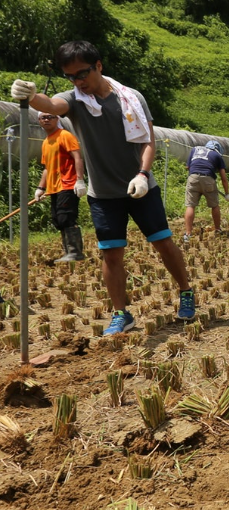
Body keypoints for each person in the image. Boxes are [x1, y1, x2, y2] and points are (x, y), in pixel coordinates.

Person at [11, 41, 196, 335]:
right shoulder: (73, 100)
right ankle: (122, 314)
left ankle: (186, 291)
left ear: (98, 66)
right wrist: (32, 97)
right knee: (111, 254)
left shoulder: (130, 97)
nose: (77, 82)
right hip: (103, 194)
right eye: (70, 77)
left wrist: (143, 174)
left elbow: (148, 139)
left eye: (82, 74)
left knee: (162, 242)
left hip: (141, 187)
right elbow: (51, 105)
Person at [34, 112, 87, 262]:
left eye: (50, 116)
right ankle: (68, 252)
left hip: (68, 184)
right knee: (57, 220)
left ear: (57, 119)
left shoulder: (65, 135)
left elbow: (77, 157)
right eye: (43, 117)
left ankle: (75, 252)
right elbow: (47, 168)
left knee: (66, 218)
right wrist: (41, 188)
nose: (46, 119)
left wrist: (80, 180)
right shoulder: (46, 142)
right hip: (54, 187)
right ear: (39, 121)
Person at [183, 139, 229, 243]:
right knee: (214, 205)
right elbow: (223, 178)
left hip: (193, 178)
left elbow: (188, 167)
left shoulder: (194, 149)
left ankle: (188, 234)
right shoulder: (217, 155)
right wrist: (227, 194)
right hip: (208, 179)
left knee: (190, 206)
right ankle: (218, 230)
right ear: (217, 149)